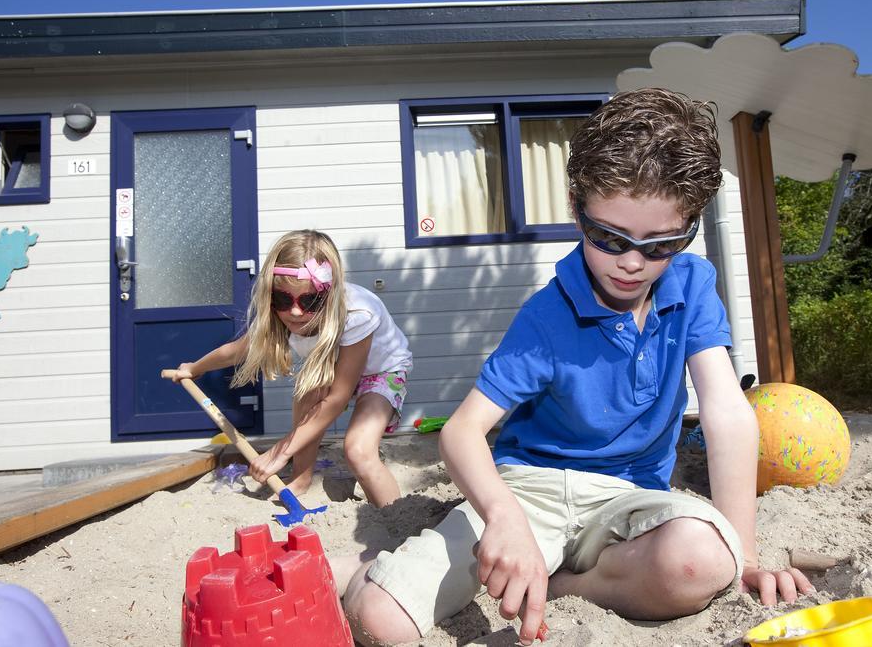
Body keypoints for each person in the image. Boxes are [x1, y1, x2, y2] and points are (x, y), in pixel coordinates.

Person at [337, 87, 814, 646]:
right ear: (575, 206)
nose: (633, 262)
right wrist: (503, 518)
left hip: (629, 499)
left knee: (704, 561)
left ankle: (563, 585)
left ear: (689, 226)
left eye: (661, 244)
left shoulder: (693, 286)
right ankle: (366, 571)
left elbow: (727, 412)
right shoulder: (548, 315)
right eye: (609, 237)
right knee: (380, 618)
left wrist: (747, 557)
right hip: (529, 491)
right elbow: (463, 431)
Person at [171, 229, 412, 507]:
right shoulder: (278, 318)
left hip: (380, 372)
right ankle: (301, 477)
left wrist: (279, 452)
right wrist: (195, 368)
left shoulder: (357, 314)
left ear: (329, 295)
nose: (295, 312)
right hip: (330, 368)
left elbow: (337, 398)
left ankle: (396, 522)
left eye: (310, 301)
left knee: (358, 451)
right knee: (308, 393)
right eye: (283, 300)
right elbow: (236, 351)